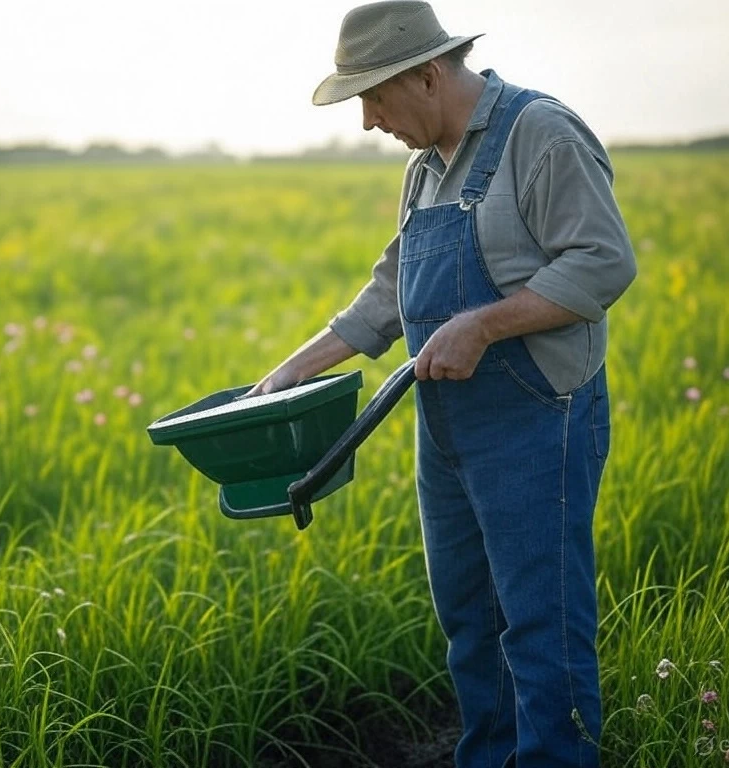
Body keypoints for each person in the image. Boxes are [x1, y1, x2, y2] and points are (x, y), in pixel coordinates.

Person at [245, 1, 637, 766]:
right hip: (448, 431)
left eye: (372, 98)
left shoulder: (541, 134)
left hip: (536, 419)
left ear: (425, 75)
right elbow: (393, 289)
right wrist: (296, 367)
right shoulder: (424, 167)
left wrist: (486, 325)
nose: (366, 122)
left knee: (539, 622)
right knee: (468, 619)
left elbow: (603, 262)